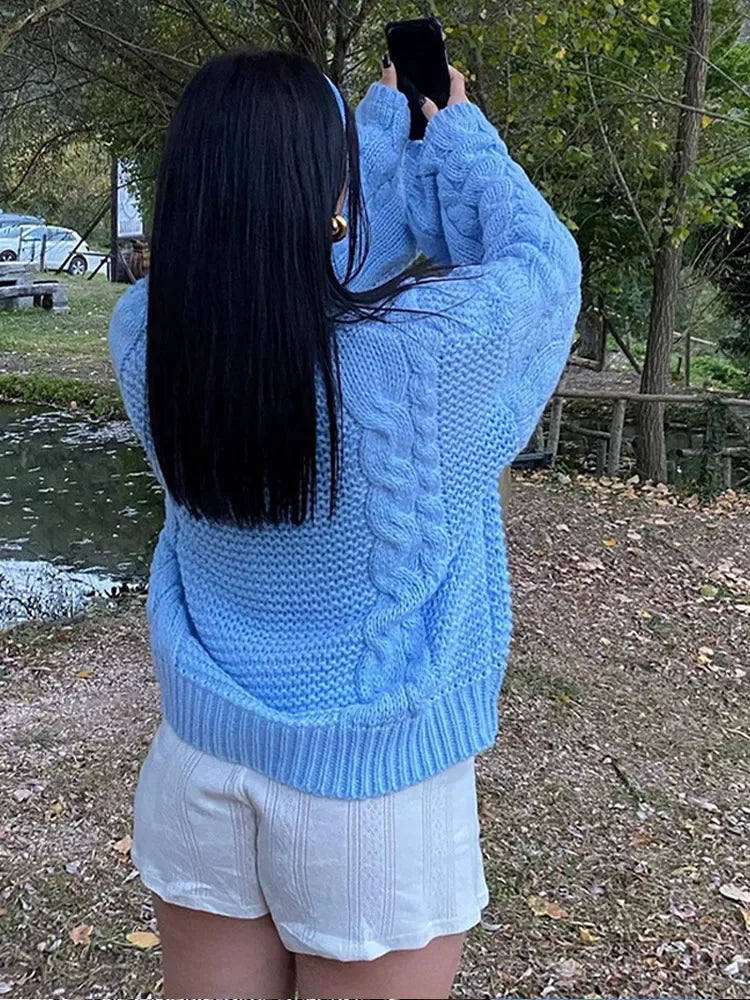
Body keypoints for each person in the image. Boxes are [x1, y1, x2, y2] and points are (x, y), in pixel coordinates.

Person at [109, 47, 581, 1000]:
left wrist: (367, 135)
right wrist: (457, 135)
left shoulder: (149, 336)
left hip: (200, 771)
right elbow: (544, 269)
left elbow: (287, 266)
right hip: (373, 797)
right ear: (324, 194)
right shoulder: (426, 356)